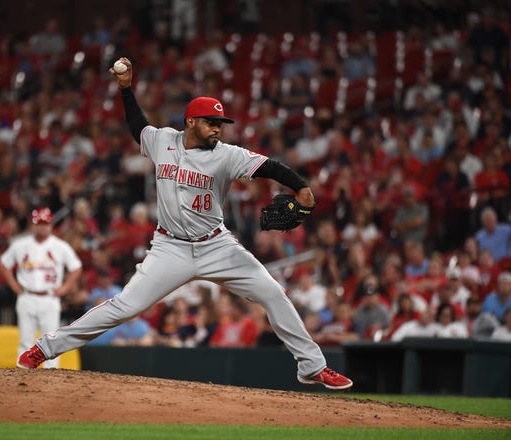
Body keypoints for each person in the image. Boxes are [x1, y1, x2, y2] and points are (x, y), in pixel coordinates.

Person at [17, 57, 353, 390]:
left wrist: (302, 188)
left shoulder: (227, 154)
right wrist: (126, 89)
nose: (217, 129)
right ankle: (44, 348)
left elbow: (271, 167)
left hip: (216, 244)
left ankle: (312, 367)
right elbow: (138, 128)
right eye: (210, 122)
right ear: (190, 122)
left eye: (220, 123)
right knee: (124, 306)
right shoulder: (163, 140)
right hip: (169, 248)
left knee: (272, 293)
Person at [0, 207, 82, 368]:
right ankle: (22, 376)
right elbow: (4, 264)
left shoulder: (60, 246)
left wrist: (65, 288)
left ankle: (50, 382)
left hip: (49, 297)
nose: (42, 227)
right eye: (39, 223)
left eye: (45, 224)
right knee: (25, 340)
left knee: (51, 340)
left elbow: (76, 267)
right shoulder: (21, 244)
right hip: (27, 296)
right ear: (32, 225)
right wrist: (14, 286)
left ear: (51, 225)